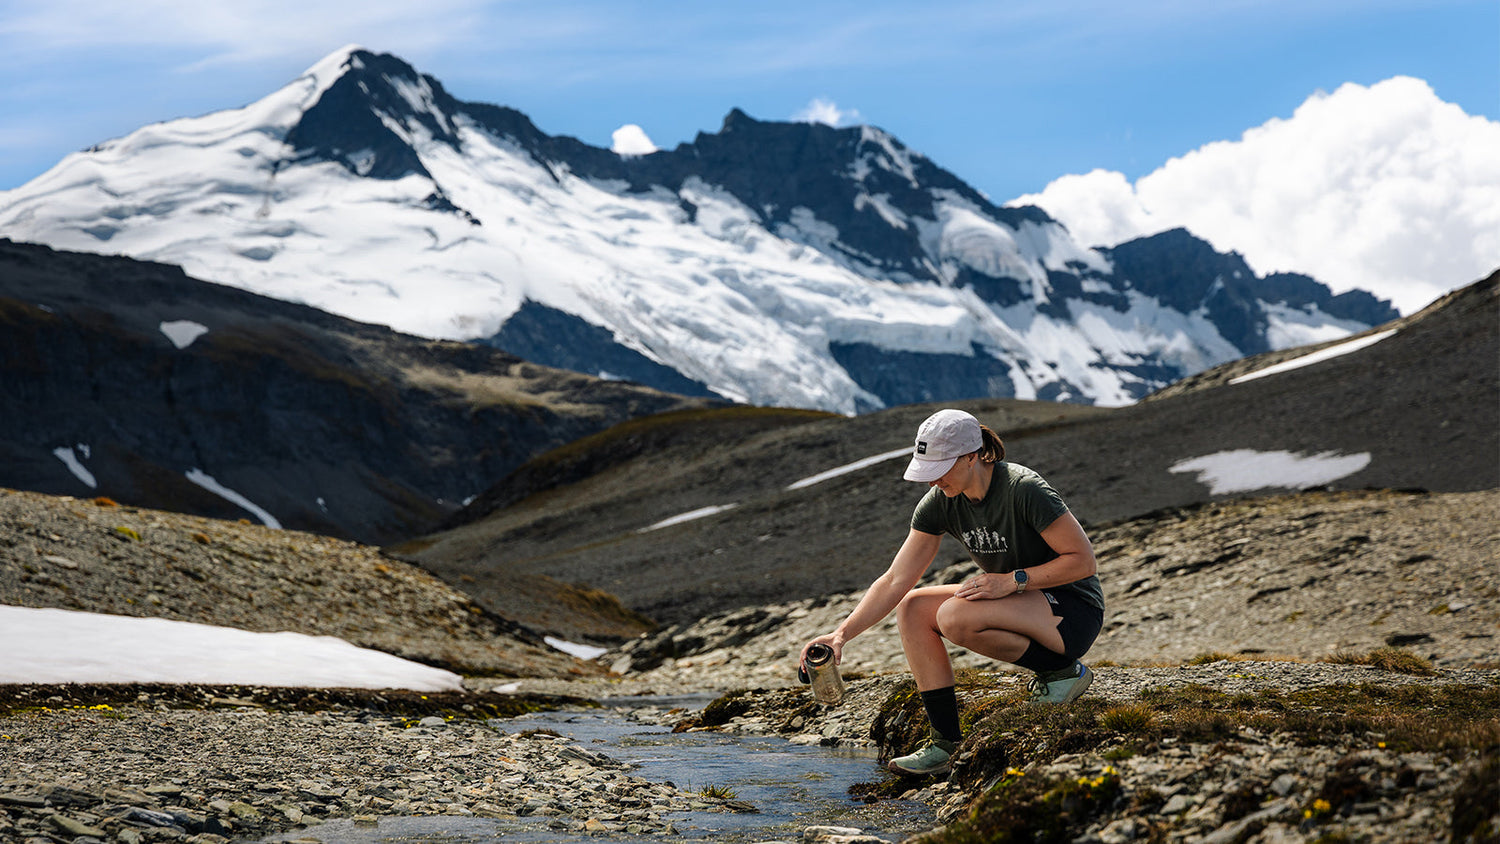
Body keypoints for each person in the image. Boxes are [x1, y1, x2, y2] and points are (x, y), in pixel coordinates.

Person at [800, 408, 1105, 776]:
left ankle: (1061, 673)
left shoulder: (1024, 489)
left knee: (954, 614)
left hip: (1071, 611)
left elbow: (1083, 561)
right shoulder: (942, 501)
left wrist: (1011, 580)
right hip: (1018, 605)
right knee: (913, 607)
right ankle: (944, 743)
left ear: (971, 457)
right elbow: (896, 579)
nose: (932, 483)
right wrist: (841, 635)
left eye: (939, 471)